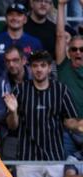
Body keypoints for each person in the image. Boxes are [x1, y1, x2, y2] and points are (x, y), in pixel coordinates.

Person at [4, 50, 81, 177]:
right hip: (27, 161)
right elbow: (12, 126)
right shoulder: (20, 90)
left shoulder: (61, 90)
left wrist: (79, 125)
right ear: (30, 68)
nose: (39, 69)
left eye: (43, 65)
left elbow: (69, 122)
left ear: (50, 68)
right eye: (35, 66)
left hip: (55, 160)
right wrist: (13, 112)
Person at [0, 46, 31, 160]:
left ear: (23, 60)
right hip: (11, 135)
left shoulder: (35, 78)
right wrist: (12, 111)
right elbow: (1, 117)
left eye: (15, 60)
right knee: (10, 174)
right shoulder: (0, 84)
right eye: (8, 61)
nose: (11, 64)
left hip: (34, 133)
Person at [0, 2, 43, 77]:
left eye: (19, 15)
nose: (14, 18)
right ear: (6, 18)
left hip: (26, 87)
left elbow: (39, 67)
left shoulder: (35, 43)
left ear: (25, 19)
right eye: (11, 14)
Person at [56, 0, 83, 158]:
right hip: (67, 132)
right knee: (65, 175)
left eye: (82, 49)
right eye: (73, 49)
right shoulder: (63, 66)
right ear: (68, 51)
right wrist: (60, 5)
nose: (78, 52)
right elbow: (60, 36)